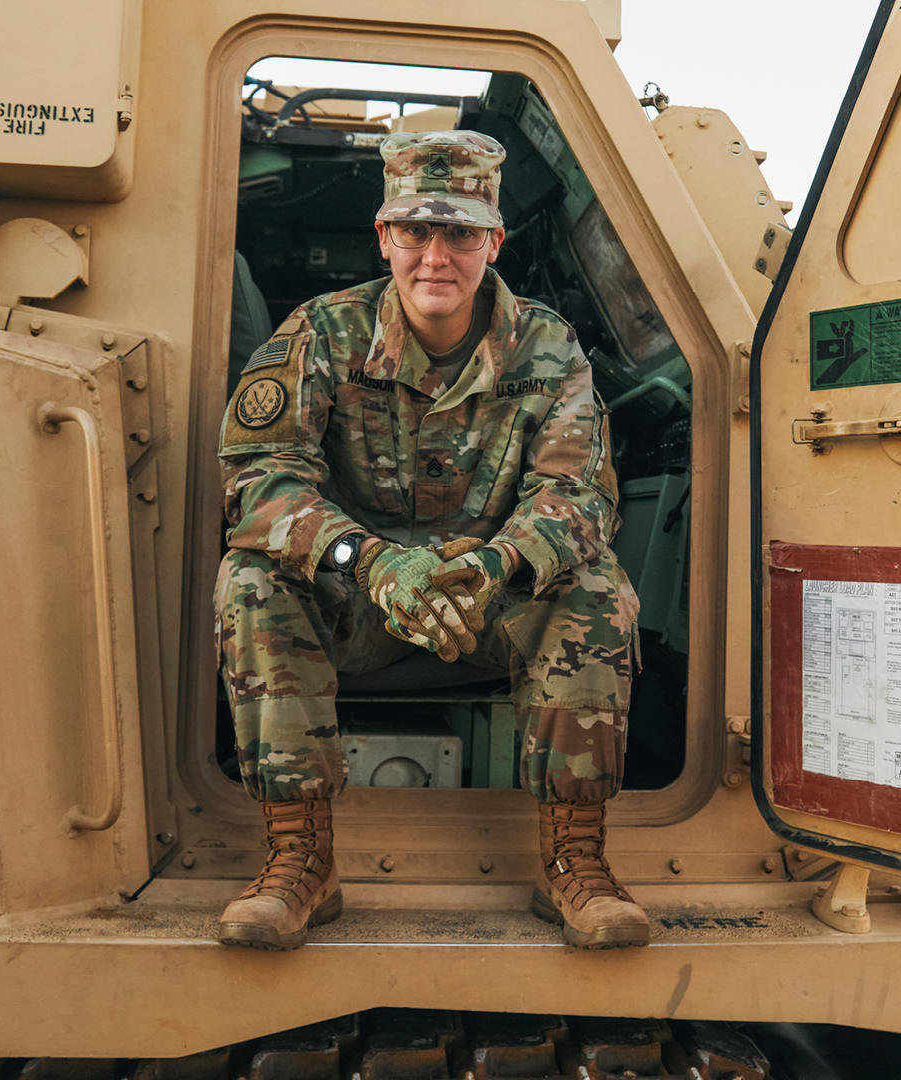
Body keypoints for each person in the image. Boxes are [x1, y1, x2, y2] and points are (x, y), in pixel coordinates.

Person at [213, 130, 645, 951]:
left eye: (461, 233)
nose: (435, 256)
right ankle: (301, 860)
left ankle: (575, 863)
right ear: (384, 237)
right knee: (251, 582)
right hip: (358, 607)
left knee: (596, 588)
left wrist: (496, 561)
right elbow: (259, 484)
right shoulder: (323, 334)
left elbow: (578, 495)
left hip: (492, 611)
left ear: (494, 241)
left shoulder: (547, 347)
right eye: (415, 231)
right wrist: (367, 562)